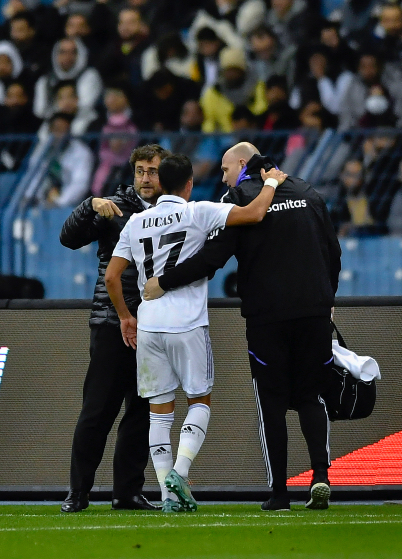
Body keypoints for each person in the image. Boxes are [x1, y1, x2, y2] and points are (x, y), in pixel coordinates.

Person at [144, 142, 341, 511]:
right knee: (312, 396)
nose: (222, 177)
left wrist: (164, 282)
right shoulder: (306, 190)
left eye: (224, 169)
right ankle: (320, 477)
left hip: (267, 317)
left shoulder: (237, 199)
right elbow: (333, 251)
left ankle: (280, 492)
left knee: (272, 403)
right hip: (314, 312)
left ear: (241, 164)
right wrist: (327, 299)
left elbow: (211, 258)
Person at [106, 152, 289, 512]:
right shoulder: (197, 211)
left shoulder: (136, 222)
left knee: (159, 410)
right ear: (188, 183)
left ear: (159, 184)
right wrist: (271, 183)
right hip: (187, 322)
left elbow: (112, 276)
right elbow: (254, 213)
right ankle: (180, 470)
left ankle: (166, 495)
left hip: (148, 323)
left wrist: (126, 316)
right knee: (199, 400)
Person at [58, 144, 168, 513]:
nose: (146, 178)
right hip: (111, 321)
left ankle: (127, 493)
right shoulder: (114, 207)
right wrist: (89, 203)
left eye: (152, 171)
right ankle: (78, 493)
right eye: (140, 171)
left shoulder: (175, 211)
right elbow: (68, 238)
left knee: (140, 413)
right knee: (97, 411)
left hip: (155, 327)